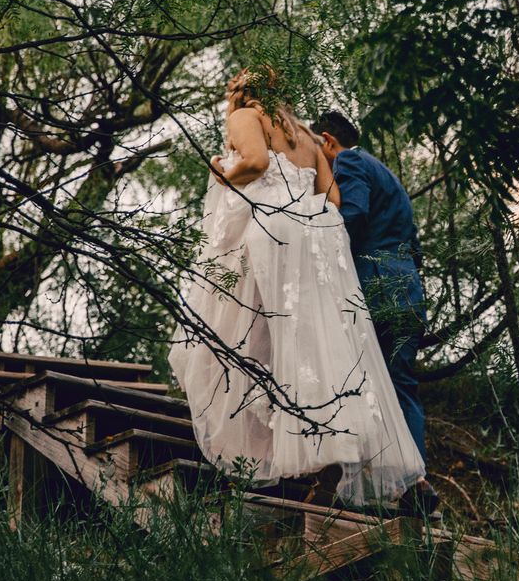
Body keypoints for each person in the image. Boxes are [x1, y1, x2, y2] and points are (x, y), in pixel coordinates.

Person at [168, 68, 428, 510]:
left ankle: (277, 448)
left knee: (252, 338)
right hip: (317, 243)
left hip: (271, 236)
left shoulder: (247, 116)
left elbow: (255, 163)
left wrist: (218, 174)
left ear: (243, 92)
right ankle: (335, 453)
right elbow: (334, 200)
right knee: (321, 350)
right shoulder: (306, 136)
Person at [312, 109, 435, 514]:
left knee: (363, 382)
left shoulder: (348, 160)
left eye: (318, 152)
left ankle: (366, 482)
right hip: (408, 289)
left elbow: (355, 214)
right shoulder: (389, 176)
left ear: (329, 142)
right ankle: (415, 481)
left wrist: (321, 253)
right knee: (401, 384)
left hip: (376, 284)